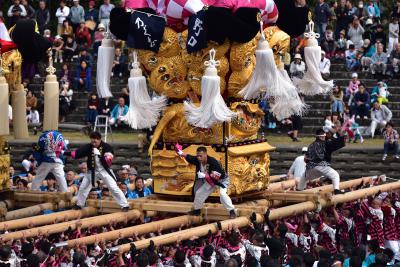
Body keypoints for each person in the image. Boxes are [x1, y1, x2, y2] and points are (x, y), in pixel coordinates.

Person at [67, 131, 130, 211]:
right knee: (83, 187)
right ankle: (79, 204)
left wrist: (100, 155)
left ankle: (125, 205)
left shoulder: (106, 147)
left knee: (113, 188)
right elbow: (78, 153)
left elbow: (109, 160)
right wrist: (65, 153)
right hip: (92, 171)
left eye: (95, 141)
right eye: (92, 140)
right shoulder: (89, 147)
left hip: (104, 170)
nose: (93, 143)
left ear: (100, 139)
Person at [175, 145, 236, 218]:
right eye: (197, 156)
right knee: (199, 193)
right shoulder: (198, 160)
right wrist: (180, 152)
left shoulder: (213, 162)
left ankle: (232, 211)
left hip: (221, 181)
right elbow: (189, 157)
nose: (199, 158)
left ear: (205, 154)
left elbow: (217, 176)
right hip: (210, 181)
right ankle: (197, 210)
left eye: (200, 156)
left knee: (222, 195)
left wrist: (204, 175)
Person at [297, 128, 345, 194]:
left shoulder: (311, 145)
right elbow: (335, 143)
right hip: (322, 166)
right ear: (322, 136)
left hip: (310, 168)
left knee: (304, 177)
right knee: (335, 175)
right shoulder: (326, 144)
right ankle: (336, 190)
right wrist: (340, 135)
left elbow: (305, 159)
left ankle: (299, 190)